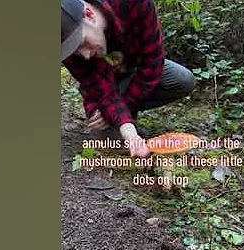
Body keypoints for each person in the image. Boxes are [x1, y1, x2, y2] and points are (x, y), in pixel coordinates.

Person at [61, 0, 195, 158]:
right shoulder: (67, 49)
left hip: (135, 69)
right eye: (75, 51)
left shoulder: (136, 3)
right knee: (110, 140)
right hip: (103, 84)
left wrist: (120, 112)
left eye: (82, 43)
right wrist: (127, 127)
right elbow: (97, 86)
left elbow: (152, 63)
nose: (85, 55)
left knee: (183, 80)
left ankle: (124, 111)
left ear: (89, 15)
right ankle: (120, 117)